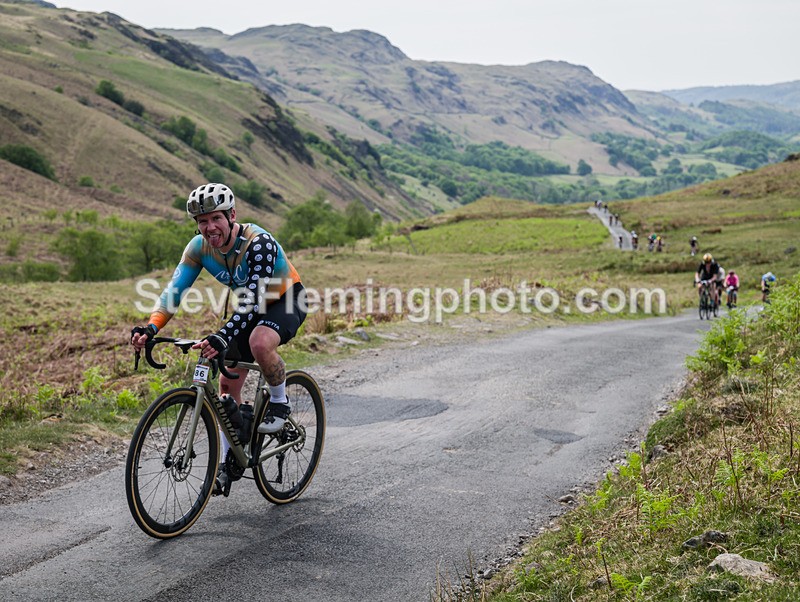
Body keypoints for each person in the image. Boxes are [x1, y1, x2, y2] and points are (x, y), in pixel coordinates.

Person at [130, 183, 306, 495]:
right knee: (226, 385)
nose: (209, 227)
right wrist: (151, 328)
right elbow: (174, 291)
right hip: (248, 306)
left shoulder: (258, 242)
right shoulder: (198, 248)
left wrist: (223, 335)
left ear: (232, 215)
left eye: (215, 219)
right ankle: (231, 457)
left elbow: (255, 298)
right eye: (202, 221)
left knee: (260, 343)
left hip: (285, 299)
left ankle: (279, 403)